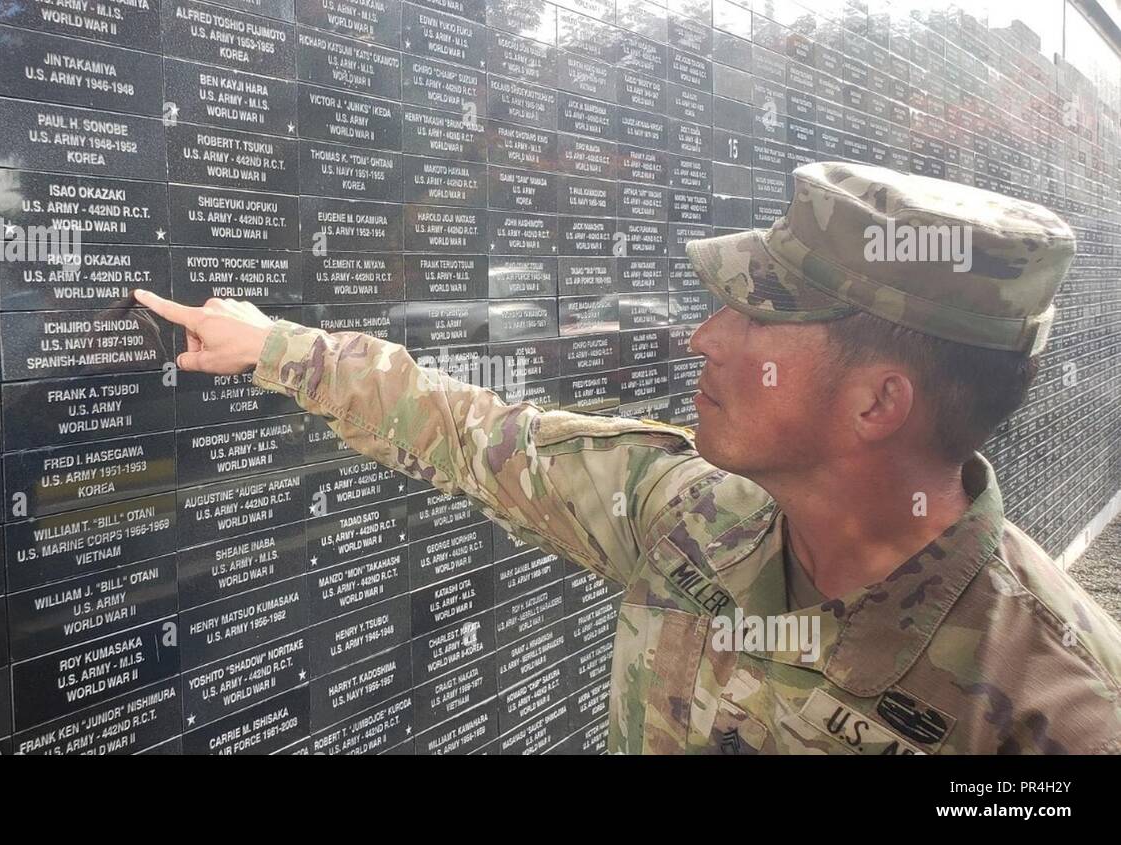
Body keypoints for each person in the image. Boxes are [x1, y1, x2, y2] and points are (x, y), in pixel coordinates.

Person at [135, 161, 1121, 754]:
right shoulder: (686, 514)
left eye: (759, 313)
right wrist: (276, 347)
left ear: (877, 402)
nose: (705, 336)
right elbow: (477, 433)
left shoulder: (1059, 712)